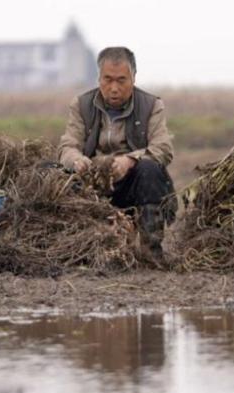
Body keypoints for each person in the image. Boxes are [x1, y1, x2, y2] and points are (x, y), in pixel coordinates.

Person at [58, 46, 177, 262]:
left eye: (121, 80)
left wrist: (131, 160)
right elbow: (67, 146)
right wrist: (77, 160)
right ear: (99, 78)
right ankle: (72, 248)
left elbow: (163, 148)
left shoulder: (151, 105)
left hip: (132, 185)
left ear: (133, 78)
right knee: (48, 172)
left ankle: (151, 252)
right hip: (91, 185)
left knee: (150, 168)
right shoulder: (81, 105)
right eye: (108, 79)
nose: (114, 88)